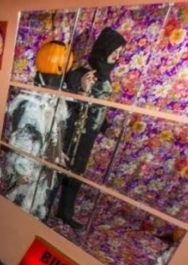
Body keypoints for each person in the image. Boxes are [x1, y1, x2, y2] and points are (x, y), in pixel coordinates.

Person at [56, 27, 127, 229]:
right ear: (104, 50)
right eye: (114, 51)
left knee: (75, 177)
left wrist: (107, 128)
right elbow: (62, 109)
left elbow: (98, 110)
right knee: (57, 173)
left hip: (87, 139)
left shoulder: (106, 80)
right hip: (70, 135)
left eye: (119, 53)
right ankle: (42, 209)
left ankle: (65, 213)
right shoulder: (77, 74)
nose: (117, 57)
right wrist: (81, 90)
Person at [3, 41, 73, 220]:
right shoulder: (29, 103)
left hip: (43, 171)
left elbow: (55, 133)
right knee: (16, 208)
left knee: (35, 206)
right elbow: (21, 142)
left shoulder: (58, 102)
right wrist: (23, 171)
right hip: (26, 170)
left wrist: (57, 152)